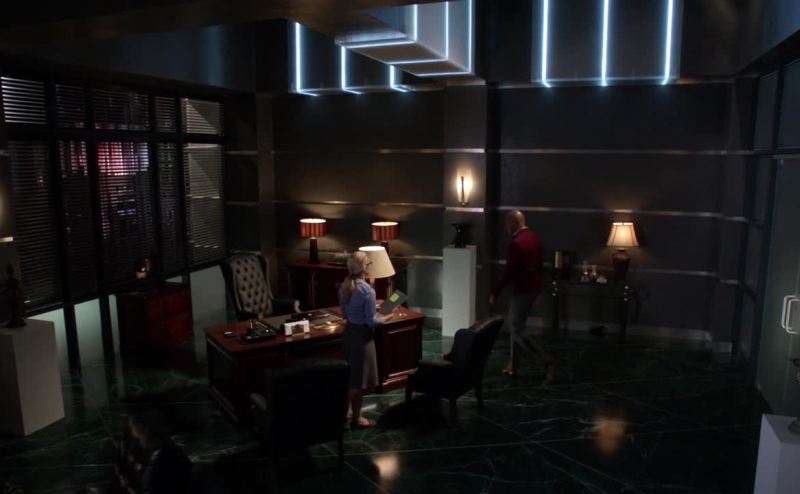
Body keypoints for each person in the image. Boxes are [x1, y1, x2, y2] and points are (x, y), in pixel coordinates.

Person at [489, 210, 556, 383]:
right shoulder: (534, 238)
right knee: (516, 327)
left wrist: (496, 292)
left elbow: (508, 273)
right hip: (532, 290)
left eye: (507, 224)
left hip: (523, 291)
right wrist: (538, 291)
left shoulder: (516, 244)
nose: (506, 228)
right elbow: (539, 268)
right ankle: (513, 365)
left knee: (516, 329)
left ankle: (547, 362)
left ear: (513, 223)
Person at [339, 251, 394, 429]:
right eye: (369, 263)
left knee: (356, 380)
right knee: (356, 383)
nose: (370, 266)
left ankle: (356, 418)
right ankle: (341, 417)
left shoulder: (344, 287)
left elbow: (345, 315)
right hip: (362, 339)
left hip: (349, 335)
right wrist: (387, 316)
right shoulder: (368, 291)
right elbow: (371, 322)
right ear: (364, 267)